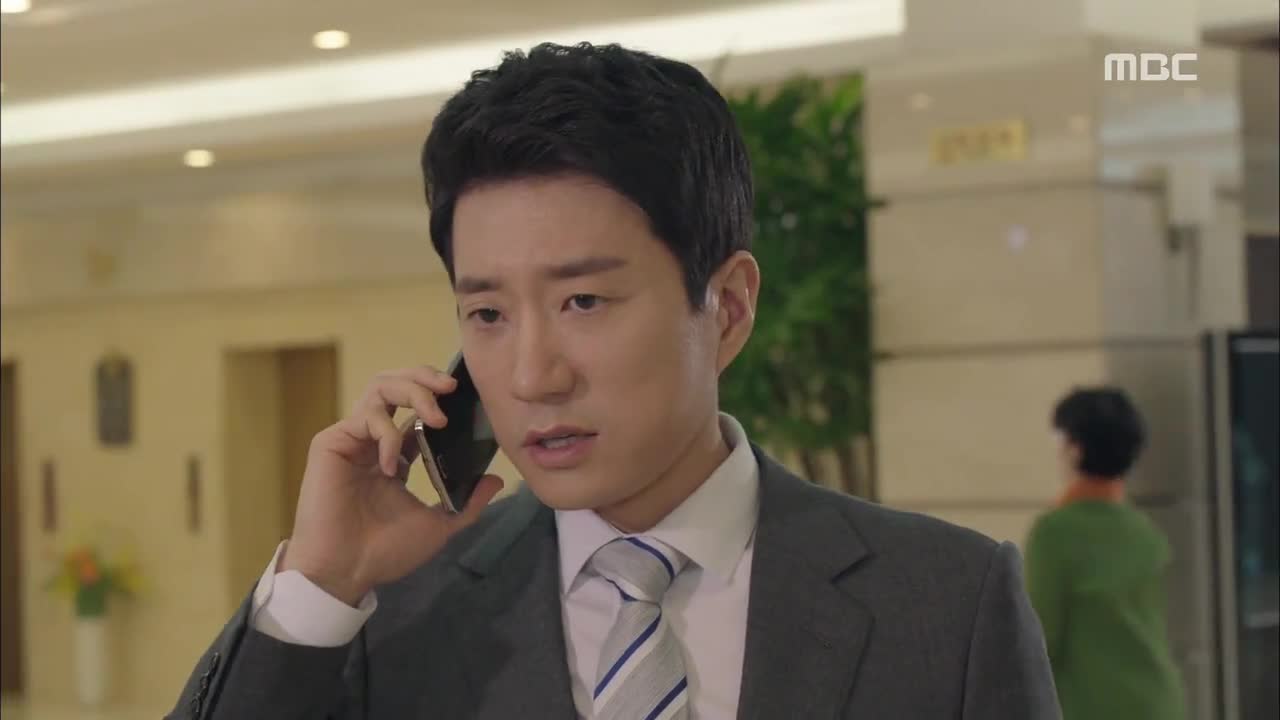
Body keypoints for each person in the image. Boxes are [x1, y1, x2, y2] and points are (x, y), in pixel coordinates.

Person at [168, 42, 1059, 719]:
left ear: (728, 307)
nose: (532, 376)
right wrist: (319, 586)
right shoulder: (391, 613)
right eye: (488, 313)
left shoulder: (945, 603)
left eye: (584, 301)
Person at [1025, 387, 1186, 720]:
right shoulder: (1144, 531)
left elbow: (1038, 640)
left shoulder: (1055, 532)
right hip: (1160, 704)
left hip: (1094, 707)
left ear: (1075, 450)